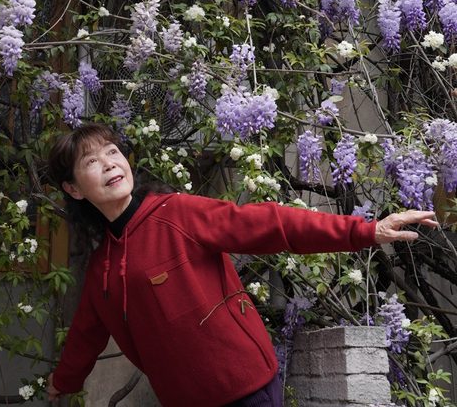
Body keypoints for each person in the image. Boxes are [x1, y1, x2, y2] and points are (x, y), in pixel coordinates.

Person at [45, 123, 437, 407]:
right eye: (91, 160)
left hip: (246, 391)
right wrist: (63, 382)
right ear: (74, 189)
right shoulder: (102, 267)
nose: (109, 163)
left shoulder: (176, 214)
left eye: (112, 152)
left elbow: (271, 223)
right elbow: (86, 334)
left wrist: (365, 231)